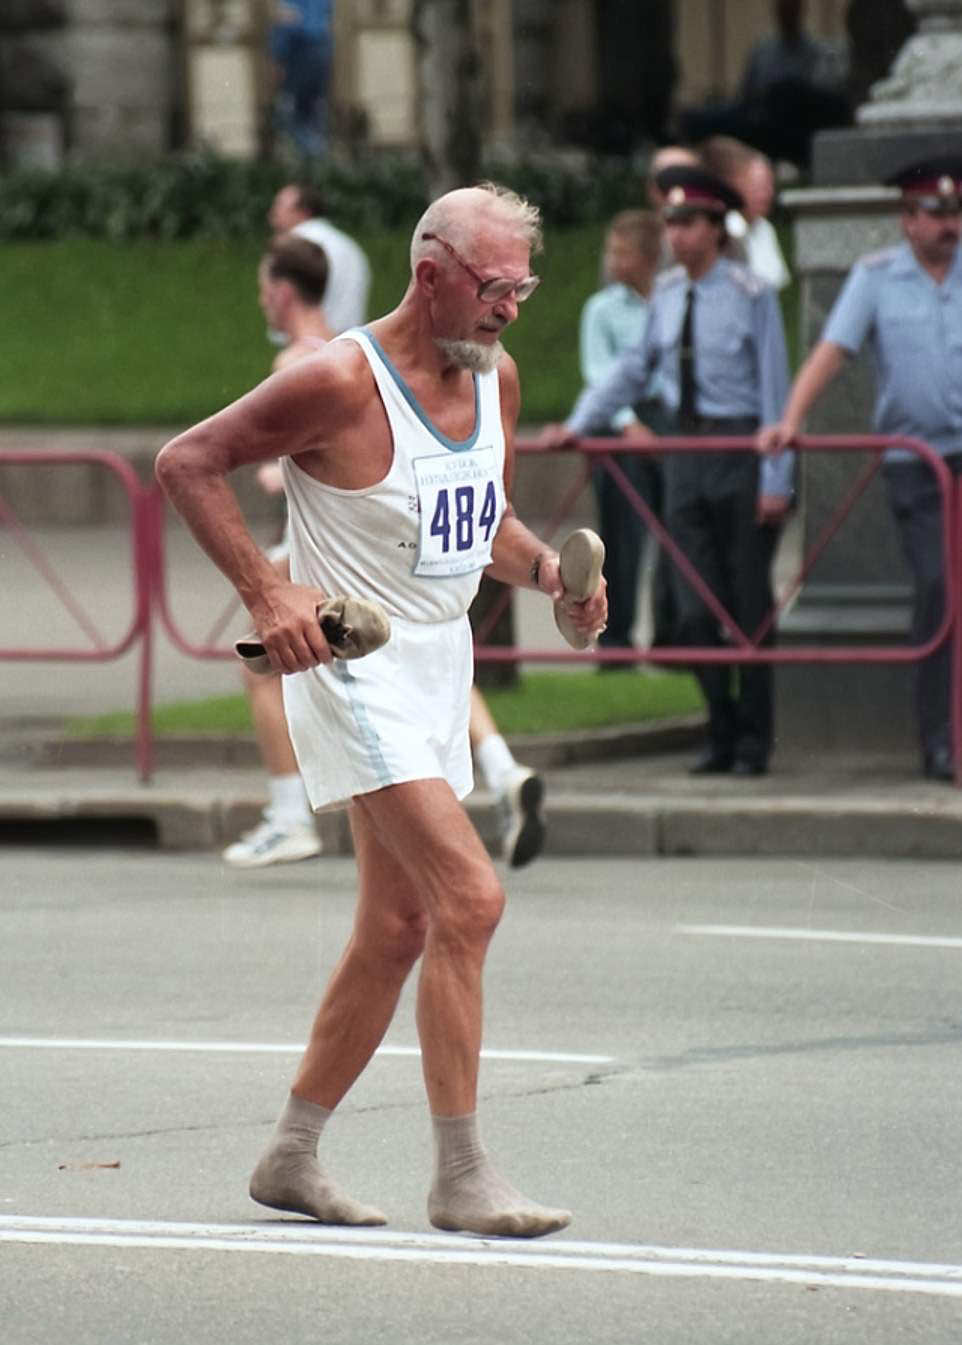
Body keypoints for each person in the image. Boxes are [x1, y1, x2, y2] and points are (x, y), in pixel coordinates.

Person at [155, 182, 606, 1237]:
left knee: (396, 926)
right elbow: (188, 462)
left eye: (523, 288)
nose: (509, 310)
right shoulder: (338, 382)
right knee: (470, 899)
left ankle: (289, 1154)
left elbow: (474, 518)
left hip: (439, 670)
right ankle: (460, 1176)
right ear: (431, 273)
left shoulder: (492, 381)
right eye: (494, 289)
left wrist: (551, 577)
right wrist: (271, 592)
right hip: (354, 669)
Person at [540, 166, 793, 776]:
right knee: (693, 602)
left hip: (737, 447)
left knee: (747, 599)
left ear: (715, 228)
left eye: (690, 223)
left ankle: (757, 737)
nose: (677, 236)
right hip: (686, 451)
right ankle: (720, 727)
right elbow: (632, 368)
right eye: (671, 224)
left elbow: (775, 389)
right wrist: (580, 422)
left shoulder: (752, 294)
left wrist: (776, 478)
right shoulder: (670, 295)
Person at [758, 155, 962, 783]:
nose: (948, 225)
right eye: (935, 213)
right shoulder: (876, 278)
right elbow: (832, 351)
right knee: (936, 587)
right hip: (919, 463)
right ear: (906, 220)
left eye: (955, 212)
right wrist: (791, 419)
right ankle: (940, 739)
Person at [223, 234, 334, 868]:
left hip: (311, 539)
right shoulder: (350, 346)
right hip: (341, 535)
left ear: (285, 292)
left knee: (259, 666)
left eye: (265, 290)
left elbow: (282, 451)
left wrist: (275, 468)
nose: (262, 302)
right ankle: (495, 767)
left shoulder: (294, 363)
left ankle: (292, 815)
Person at [571, 209, 672, 656]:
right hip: (619, 423)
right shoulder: (602, 309)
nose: (610, 260)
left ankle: (674, 637)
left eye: (621, 251)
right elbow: (600, 371)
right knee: (622, 537)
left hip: (666, 417)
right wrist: (628, 423)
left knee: (677, 534)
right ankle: (617, 641)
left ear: (647, 257)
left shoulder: (670, 302)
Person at [680, 0, 850, 169]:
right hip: (758, 117)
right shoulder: (763, 50)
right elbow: (745, 96)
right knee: (711, 117)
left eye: (791, 9)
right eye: (783, 10)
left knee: (784, 93)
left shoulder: (817, 52)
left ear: (801, 11)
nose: (786, 15)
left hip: (791, 125)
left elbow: (819, 101)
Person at [269, 182, 371, 336]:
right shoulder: (350, 247)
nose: (273, 213)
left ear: (304, 211)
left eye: (280, 205)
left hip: (309, 342)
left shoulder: (294, 247)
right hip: (351, 344)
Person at [698, 137, 791, 290]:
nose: (767, 194)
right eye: (758, 187)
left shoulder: (765, 229)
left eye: (770, 186)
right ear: (734, 185)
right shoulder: (721, 230)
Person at [269, 1, 332, 156]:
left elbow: (286, 24)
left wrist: (278, 59)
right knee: (313, 113)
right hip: (321, 54)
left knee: (289, 115)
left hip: (300, 57)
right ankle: (316, 154)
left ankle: (310, 155)